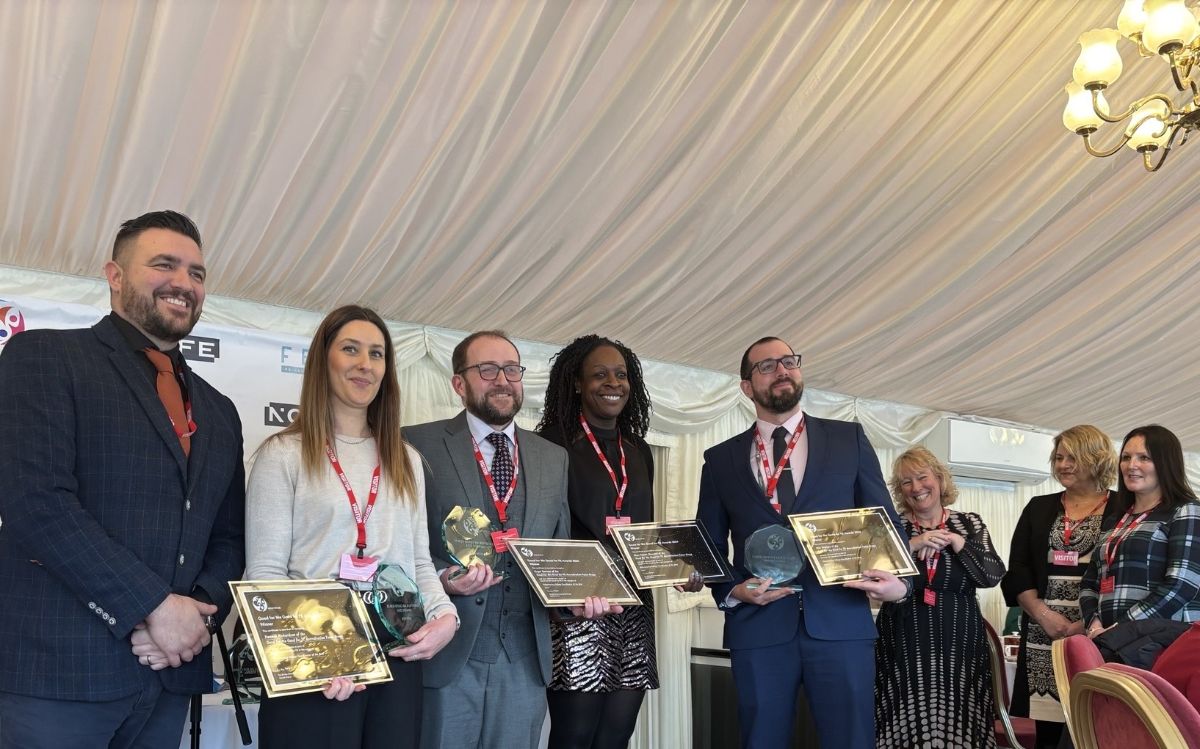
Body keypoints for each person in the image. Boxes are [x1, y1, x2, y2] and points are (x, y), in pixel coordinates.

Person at [0, 210, 246, 748]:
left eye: (197, 273)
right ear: (114, 275)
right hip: (58, 674)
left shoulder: (220, 411)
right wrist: (156, 609)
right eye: (165, 265)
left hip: (170, 675)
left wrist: (196, 622)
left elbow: (228, 538)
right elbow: (36, 504)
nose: (184, 283)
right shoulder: (44, 357)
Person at [244, 305, 458, 749]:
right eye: (350, 349)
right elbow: (264, 573)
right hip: (311, 656)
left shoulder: (406, 459)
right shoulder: (283, 454)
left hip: (395, 649)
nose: (365, 364)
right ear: (323, 361)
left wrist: (446, 617)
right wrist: (317, 657)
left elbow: (417, 562)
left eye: (377, 354)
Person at [695, 336, 909, 749]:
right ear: (746, 386)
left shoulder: (849, 440)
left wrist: (900, 584)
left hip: (840, 624)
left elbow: (886, 521)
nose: (782, 370)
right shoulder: (720, 459)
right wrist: (731, 589)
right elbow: (708, 541)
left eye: (789, 361)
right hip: (758, 629)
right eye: (767, 365)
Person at [407, 331, 616, 749]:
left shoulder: (552, 457)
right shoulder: (415, 444)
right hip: (447, 656)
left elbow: (555, 551)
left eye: (511, 369)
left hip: (524, 662)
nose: (502, 379)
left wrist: (572, 599)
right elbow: (398, 546)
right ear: (459, 383)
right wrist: (446, 580)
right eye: (487, 369)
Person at [534, 334, 703, 749]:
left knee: (616, 736)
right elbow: (542, 529)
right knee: (575, 736)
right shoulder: (551, 445)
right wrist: (560, 599)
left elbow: (646, 532)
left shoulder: (638, 450)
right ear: (576, 383)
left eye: (621, 375)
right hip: (579, 607)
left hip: (633, 606)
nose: (613, 383)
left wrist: (681, 568)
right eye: (600, 374)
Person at [874, 446, 1006, 748]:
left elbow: (992, 575)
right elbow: (873, 568)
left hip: (960, 638)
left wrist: (959, 543)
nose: (916, 488)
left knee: (962, 715)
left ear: (940, 479)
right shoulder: (894, 525)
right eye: (906, 482)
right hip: (902, 638)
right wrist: (914, 543)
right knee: (902, 715)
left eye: (922, 477)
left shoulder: (969, 523)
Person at [1001, 424, 1119, 749]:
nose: (1062, 465)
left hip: (1099, 634)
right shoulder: (1039, 507)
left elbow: (1126, 575)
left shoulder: (1125, 507)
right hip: (1044, 635)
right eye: (1058, 457)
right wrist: (1043, 615)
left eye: (1072, 457)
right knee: (1050, 733)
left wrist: (1085, 622)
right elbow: (1018, 569)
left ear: (1095, 459)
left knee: (1098, 728)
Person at [1080, 425, 1200, 638]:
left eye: (1144, 458)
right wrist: (1094, 625)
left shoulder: (1186, 510)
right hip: (1109, 641)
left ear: (1166, 464)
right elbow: (1090, 583)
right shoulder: (1115, 520)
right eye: (1126, 457)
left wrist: (1122, 628)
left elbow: (1182, 586)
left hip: (1163, 641)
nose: (1131, 465)